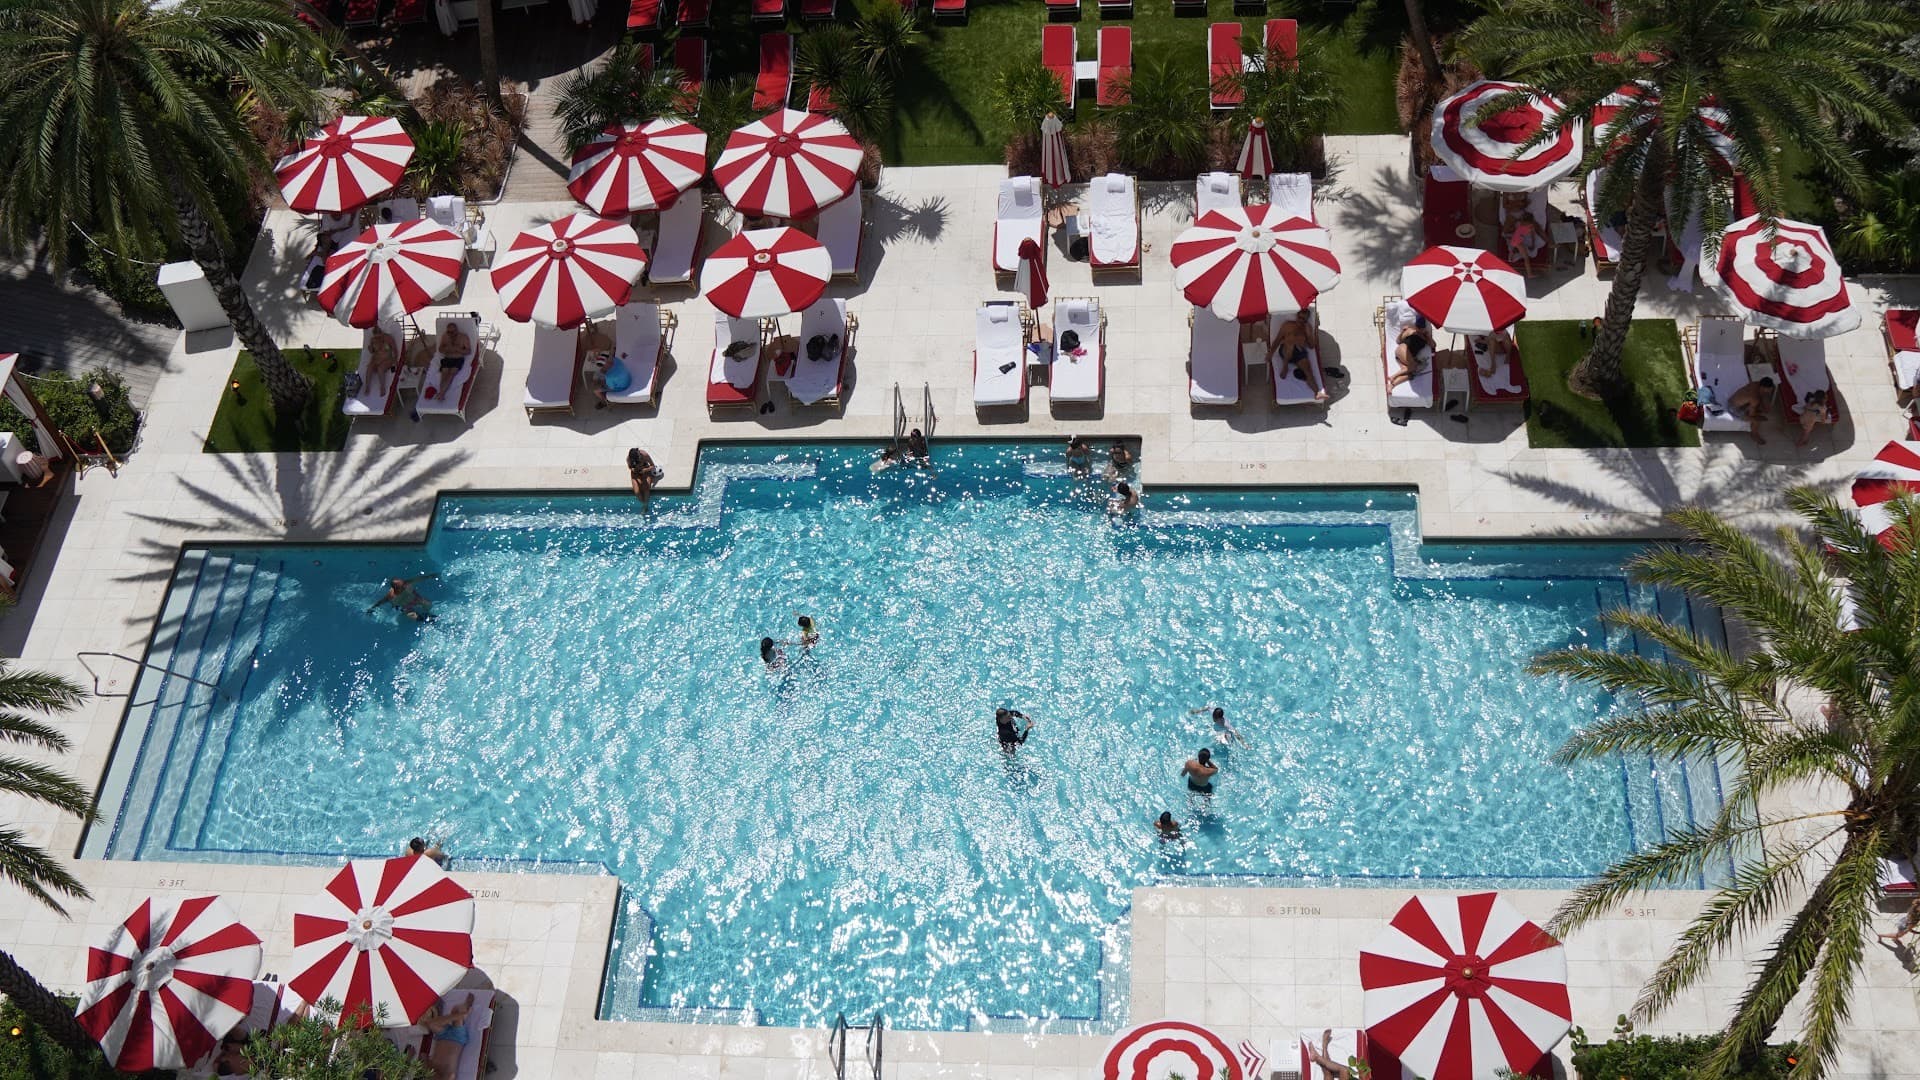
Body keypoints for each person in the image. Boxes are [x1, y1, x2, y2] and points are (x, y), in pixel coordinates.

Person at [1267, 313, 1327, 403]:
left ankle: (1317, 393)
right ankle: (1285, 366)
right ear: (1297, 316)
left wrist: (1309, 334)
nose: (1301, 320)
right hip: (1285, 349)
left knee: (1308, 371)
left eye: (1304, 319)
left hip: (1299, 352)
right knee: (1290, 344)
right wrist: (1270, 353)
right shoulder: (1287, 325)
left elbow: (1311, 346)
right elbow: (1277, 340)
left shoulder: (1307, 328)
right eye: (1300, 317)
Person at [419, 993, 474, 1080]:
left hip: (441, 1036)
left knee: (431, 1024)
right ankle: (463, 1012)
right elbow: (451, 1075)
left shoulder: (428, 1073)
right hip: (456, 1038)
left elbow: (423, 1055)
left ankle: (459, 1016)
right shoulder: (447, 1077)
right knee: (457, 1009)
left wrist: (426, 1066)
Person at [1724, 376, 1775, 444]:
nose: (1769, 392)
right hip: (1733, 408)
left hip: (1740, 401)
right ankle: (1754, 434)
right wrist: (1758, 416)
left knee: (1760, 408)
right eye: (1768, 391)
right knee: (1756, 420)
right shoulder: (1754, 397)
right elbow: (1752, 415)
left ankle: (1752, 410)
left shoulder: (1756, 383)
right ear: (1763, 388)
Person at [369, 573, 438, 621]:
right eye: (402, 586)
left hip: (414, 598)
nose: (405, 586)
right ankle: (423, 620)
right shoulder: (391, 595)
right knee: (411, 614)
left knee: (427, 603)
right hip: (404, 605)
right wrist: (372, 608)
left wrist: (429, 576)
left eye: (404, 584)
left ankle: (428, 613)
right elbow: (381, 602)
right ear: (396, 589)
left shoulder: (407, 583)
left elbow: (419, 578)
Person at [1389, 319, 1434, 390]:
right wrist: (1402, 332)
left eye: (1421, 328)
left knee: (1410, 375)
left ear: (1424, 328)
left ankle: (1392, 385)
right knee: (1414, 367)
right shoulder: (1410, 331)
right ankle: (1393, 376)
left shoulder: (1425, 337)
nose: (1420, 330)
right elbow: (1398, 341)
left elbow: (1433, 345)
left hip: (1405, 357)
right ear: (1416, 326)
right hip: (1403, 349)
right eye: (1418, 327)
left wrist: (1428, 336)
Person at [433, 322, 473, 399]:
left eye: (452, 332)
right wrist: (446, 349)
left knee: (451, 374)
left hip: (458, 358)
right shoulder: (445, 336)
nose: (450, 334)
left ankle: (441, 393)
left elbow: (468, 351)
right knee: (444, 374)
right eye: (448, 332)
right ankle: (441, 393)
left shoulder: (463, 337)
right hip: (447, 357)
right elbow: (440, 349)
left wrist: (458, 349)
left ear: (456, 330)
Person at [1506, 210, 1543, 277]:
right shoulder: (1531, 226)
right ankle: (1529, 274)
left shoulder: (1521, 223)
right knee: (1526, 258)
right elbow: (1533, 236)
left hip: (1514, 240)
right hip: (1518, 242)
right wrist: (1533, 244)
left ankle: (1511, 256)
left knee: (1516, 247)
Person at [365, 328, 399, 394]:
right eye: (376, 337)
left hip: (387, 360)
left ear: (381, 333)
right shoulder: (373, 340)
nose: (377, 338)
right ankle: (367, 386)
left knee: (380, 368)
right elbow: (372, 351)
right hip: (376, 359)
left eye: (379, 337)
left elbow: (394, 349)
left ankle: (382, 387)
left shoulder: (388, 338)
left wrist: (395, 360)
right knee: (369, 367)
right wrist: (370, 349)